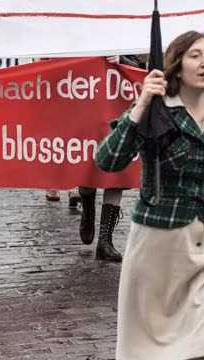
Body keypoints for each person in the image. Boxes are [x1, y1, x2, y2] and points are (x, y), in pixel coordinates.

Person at [95, 31, 204, 359]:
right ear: (176, 66)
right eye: (195, 55)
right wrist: (142, 104)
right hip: (158, 247)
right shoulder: (155, 110)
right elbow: (108, 160)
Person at [77, 54, 143, 262]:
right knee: (86, 163)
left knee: (116, 173)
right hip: (85, 102)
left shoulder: (123, 27)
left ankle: (105, 240)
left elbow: (140, 65)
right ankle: (88, 209)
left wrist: (122, 59)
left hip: (117, 106)